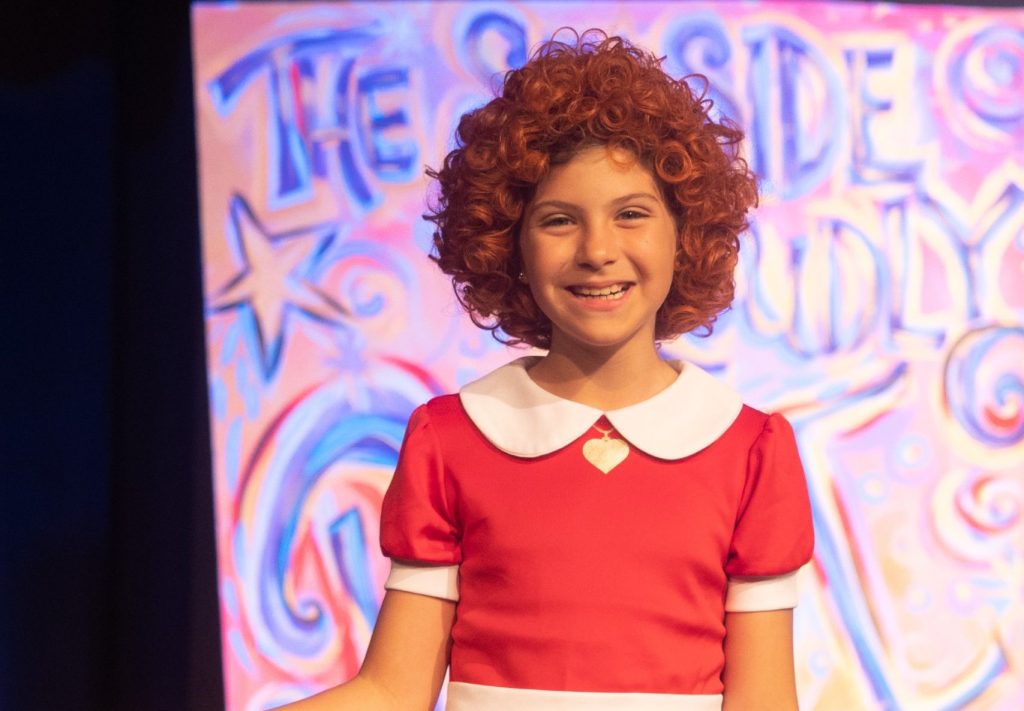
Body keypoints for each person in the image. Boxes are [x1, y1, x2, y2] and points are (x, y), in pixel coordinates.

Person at [279, 28, 814, 711]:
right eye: (560, 220)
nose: (597, 250)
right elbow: (392, 689)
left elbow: (764, 701)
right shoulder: (453, 438)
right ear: (509, 242)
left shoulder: (748, 451)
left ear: (686, 234)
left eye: (631, 215)